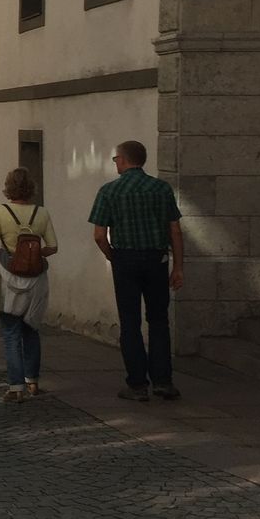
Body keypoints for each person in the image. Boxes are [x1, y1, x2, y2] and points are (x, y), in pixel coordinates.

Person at [89, 140, 184, 402]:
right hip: (156, 259)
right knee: (159, 319)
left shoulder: (109, 191)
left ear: (122, 159)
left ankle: (137, 384)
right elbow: (175, 230)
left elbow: (99, 235)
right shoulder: (161, 189)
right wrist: (178, 266)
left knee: (129, 321)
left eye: (115, 159)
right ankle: (163, 381)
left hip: (125, 259)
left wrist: (112, 255)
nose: (115, 163)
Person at [0, 168, 58, 403]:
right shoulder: (42, 213)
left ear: (8, 187)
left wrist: (9, 256)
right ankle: (32, 381)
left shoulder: (0, 211)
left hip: (8, 279)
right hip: (36, 280)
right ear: (31, 188)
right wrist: (33, 255)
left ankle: (16, 388)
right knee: (31, 330)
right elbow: (53, 247)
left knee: (11, 333)